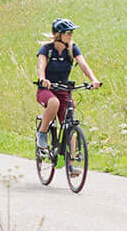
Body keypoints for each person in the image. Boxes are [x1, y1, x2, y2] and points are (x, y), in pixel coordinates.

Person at [35, 17, 101, 154]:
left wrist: (94, 79)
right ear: (59, 35)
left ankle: (71, 163)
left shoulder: (72, 48)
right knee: (54, 103)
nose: (71, 35)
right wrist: (43, 79)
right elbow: (41, 66)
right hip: (47, 90)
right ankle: (42, 133)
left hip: (64, 89)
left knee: (70, 124)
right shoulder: (47, 49)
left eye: (71, 32)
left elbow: (83, 64)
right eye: (68, 32)